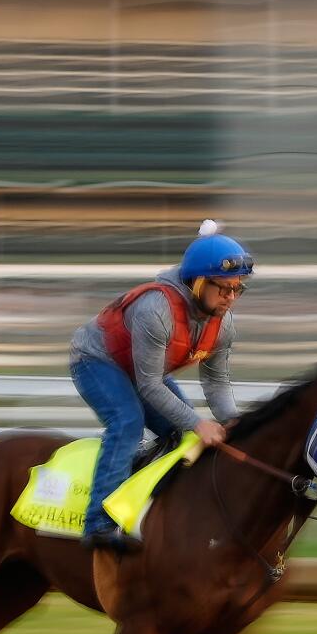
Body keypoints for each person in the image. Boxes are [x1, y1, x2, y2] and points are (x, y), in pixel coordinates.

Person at [67, 219, 252, 552]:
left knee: (177, 433)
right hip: (97, 360)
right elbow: (150, 386)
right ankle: (97, 523)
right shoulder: (156, 310)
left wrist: (231, 421)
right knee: (127, 423)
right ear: (197, 284)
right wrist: (199, 422)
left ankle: (143, 498)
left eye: (238, 288)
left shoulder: (224, 326)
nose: (231, 297)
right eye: (223, 288)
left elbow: (216, 381)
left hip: (143, 368)